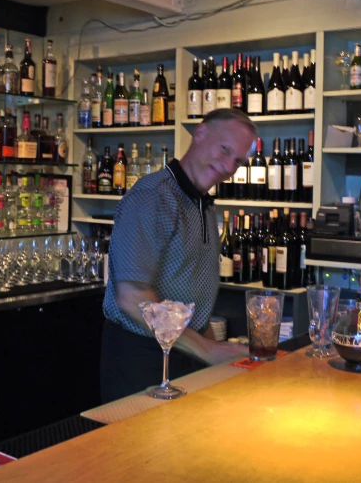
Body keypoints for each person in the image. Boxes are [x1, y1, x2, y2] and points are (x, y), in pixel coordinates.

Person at [100, 108, 258, 403]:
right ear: (200, 134)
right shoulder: (152, 196)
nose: (228, 166)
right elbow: (132, 297)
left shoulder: (203, 205)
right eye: (224, 150)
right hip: (142, 358)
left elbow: (193, 296)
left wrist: (214, 354)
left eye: (238, 160)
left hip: (187, 354)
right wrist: (208, 350)